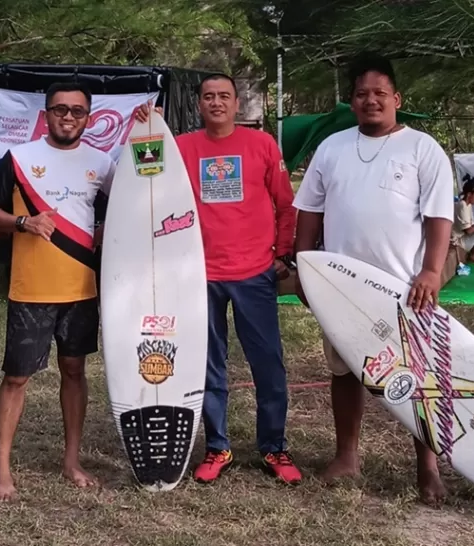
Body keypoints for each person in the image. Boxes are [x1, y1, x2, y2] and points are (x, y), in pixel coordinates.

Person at [292, 52, 455, 505]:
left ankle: (427, 467)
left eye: (380, 93)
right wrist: (305, 266)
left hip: (407, 288)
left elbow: (439, 216)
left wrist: (430, 271)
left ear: (397, 98)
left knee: (417, 376)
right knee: (344, 371)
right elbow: (310, 210)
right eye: (362, 94)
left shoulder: (423, 148)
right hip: (342, 288)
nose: (371, 100)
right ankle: (347, 457)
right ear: (352, 101)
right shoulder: (332, 147)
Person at [136, 73, 301, 485]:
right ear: (198, 105)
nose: (216, 103)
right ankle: (217, 446)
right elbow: (146, 175)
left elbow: (285, 203)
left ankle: (274, 447)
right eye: (208, 96)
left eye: (224, 96)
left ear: (237, 104)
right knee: (207, 366)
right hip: (199, 276)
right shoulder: (183, 147)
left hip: (253, 274)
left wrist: (282, 254)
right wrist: (144, 125)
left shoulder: (262, 144)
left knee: (268, 364)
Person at [0, 81, 115, 501]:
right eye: (60, 110)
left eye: (77, 111)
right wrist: (24, 223)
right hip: (31, 289)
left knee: (74, 372)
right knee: (17, 377)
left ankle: (71, 460)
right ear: (46, 114)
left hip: (80, 288)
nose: (68, 117)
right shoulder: (19, 158)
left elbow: (128, 205)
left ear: (88, 118)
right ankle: (2, 470)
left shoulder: (103, 162)